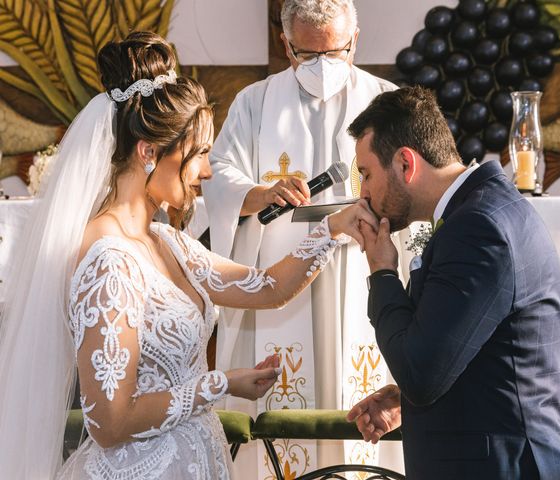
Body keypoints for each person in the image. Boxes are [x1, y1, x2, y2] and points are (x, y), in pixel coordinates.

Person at [0, 32, 374, 480]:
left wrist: (333, 229)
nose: (209, 170)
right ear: (149, 152)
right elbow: (109, 421)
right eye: (197, 154)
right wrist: (221, 384)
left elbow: (267, 287)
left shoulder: (166, 241)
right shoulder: (108, 260)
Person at [202, 0, 402, 471]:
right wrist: (259, 192)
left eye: (334, 53)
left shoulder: (387, 101)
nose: (321, 67)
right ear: (285, 45)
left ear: (355, 40)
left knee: (358, 377)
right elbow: (218, 177)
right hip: (281, 274)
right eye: (307, 55)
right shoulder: (256, 101)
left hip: (360, 270)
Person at [344, 87, 560, 479]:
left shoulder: (477, 228)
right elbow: (483, 346)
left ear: (406, 163)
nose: (363, 192)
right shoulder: (485, 209)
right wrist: (405, 400)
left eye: (366, 174)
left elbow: (421, 375)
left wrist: (383, 271)